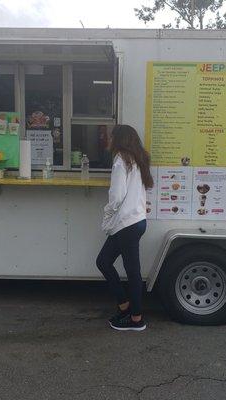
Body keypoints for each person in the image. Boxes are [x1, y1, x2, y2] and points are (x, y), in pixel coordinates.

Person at [96, 124, 154, 331]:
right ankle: (126, 307)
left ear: (119, 139)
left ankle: (136, 319)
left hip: (126, 224)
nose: (108, 140)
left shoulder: (121, 160)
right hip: (137, 221)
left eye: (111, 137)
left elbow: (117, 196)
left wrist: (108, 212)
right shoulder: (138, 160)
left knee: (124, 269)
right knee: (108, 263)